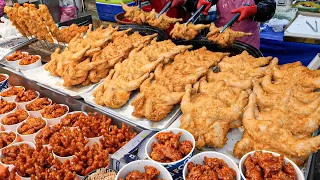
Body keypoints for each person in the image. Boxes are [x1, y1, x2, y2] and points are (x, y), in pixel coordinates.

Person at [168, 0, 276, 49]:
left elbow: (269, 6)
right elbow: (201, 2)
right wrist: (191, 2)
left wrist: (254, 10)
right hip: (220, 39)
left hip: (247, 44)